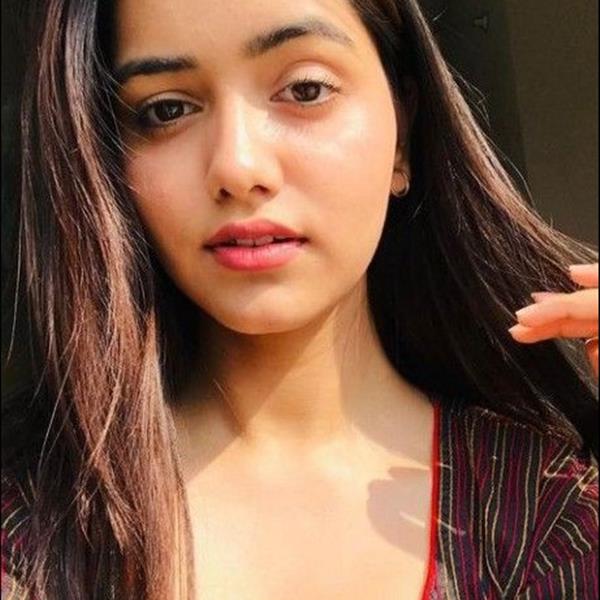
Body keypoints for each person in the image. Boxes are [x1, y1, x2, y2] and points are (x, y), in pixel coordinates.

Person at [1, 0, 598, 598]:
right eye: (167, 109)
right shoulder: (26, 531)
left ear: (402, 131)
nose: (237, 167)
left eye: (306, 90)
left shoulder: (546, 517)